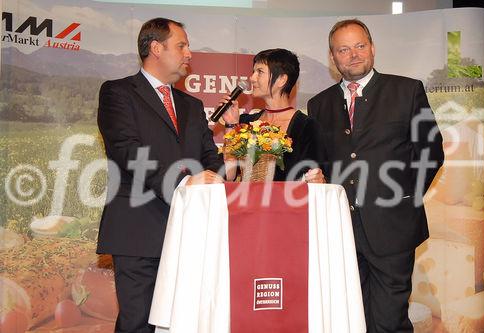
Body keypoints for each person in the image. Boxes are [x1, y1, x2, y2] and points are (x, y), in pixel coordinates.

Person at [307, 19, 444, 332]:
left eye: (360, 46)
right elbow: (322, 164)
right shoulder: (319, 104)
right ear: (332, 57)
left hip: (392, 229)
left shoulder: (407, 90)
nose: (353, 55)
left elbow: (431, 152)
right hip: (340, 231)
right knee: (349, 319)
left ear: (372, 48)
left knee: (388, 321)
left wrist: (401, 199)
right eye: (344, 49)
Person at [96, 18, 224, 333]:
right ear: (156, 48)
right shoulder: (118, 93)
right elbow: (126, 151)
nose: (189, 53)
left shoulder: (192, 105)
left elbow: (209, 157)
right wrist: (181, 181)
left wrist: (222, 173)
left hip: (190, 232)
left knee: (185, 323)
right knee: (138, 321)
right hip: (139, 229)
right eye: (181, 45)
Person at [220, 48, 325, 183]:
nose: (252, 78)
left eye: (260, 72)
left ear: (281, 79)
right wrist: (231, 124)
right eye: (253, 72)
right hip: (247, 201)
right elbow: (229, 175)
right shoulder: (245, 122)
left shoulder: (306, 126)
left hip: (288, 202)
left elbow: (315, 178)